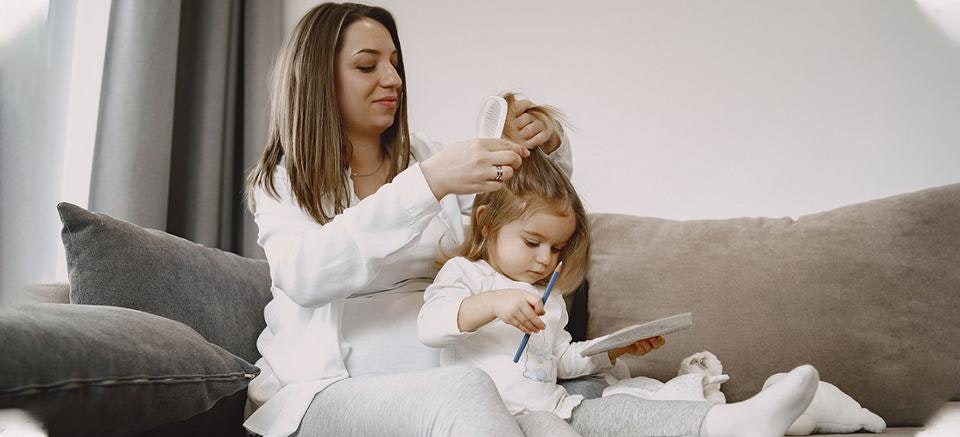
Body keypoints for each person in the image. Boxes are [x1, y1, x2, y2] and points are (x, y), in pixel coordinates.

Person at [241, 3, 573, 437]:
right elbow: (304, 276)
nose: (393, 80)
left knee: (559, 403)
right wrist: (427, 185)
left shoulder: (425, 156)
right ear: (319, 79)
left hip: (454, 379)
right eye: (367, 65)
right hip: (326, 392)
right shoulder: (283, 180)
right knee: (467, 393)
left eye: (396, 65)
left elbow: (520, 221)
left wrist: (544, 147)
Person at [417, 98, 822, 437]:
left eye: (557, 247)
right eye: (532, 242)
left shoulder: (549, 296)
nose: (545, 258)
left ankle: (726, 423)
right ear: (487, 224)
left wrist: (612, 351)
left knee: (623, 414)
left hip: (557, 409)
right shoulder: (465, 275)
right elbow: (430, 327)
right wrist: (493, 304)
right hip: (501, 420)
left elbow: (560, 362)